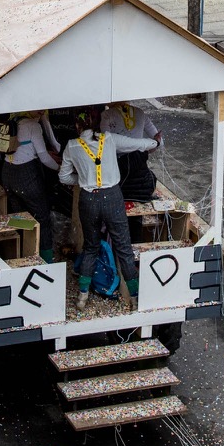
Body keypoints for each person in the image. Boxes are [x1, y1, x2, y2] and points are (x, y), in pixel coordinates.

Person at [58, 110, 159, 312]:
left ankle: (82, 296)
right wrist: (155, 142)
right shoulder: (110, 139)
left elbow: (64, 177)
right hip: (113, 197)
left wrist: (84, 180)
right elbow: (138, 144)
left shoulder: (72, 146)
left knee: (91, 247)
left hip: (88, 200)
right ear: (98, 124)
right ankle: (134, 298)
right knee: (124, 248)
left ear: (77, 126)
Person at [2, 111, 60, 264]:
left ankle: (22, 253)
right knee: (42, 217)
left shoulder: (12, 120)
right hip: (26, 176)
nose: (42, 113)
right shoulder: (33, 125)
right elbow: (44, 158)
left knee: (20, 216)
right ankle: (46, 260)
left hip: (7, 173)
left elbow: (22, 146)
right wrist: (61, 169)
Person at [102, 101, 161, 203]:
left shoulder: (107, 115)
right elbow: (160, 142)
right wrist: (142, 150)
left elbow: (105, 142)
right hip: (143, 185)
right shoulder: (140, 112)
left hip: (119, 176)